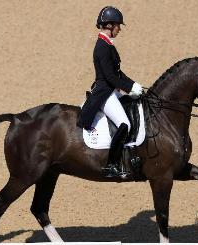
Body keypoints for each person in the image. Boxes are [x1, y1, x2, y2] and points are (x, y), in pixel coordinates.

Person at [77, 6, 144, 178]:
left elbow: (118, 74)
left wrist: (133, 85)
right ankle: (111, 165)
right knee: (125, 124)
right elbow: (110, 77)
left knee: (134, 106)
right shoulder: (102, 47)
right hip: (105, 93)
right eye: (118, 26)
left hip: (111, 90)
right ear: (109, 25)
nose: (119, 29)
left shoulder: (107, 45)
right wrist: (129, 88)